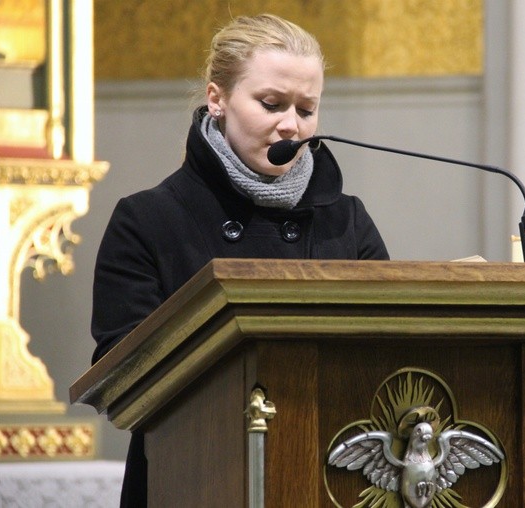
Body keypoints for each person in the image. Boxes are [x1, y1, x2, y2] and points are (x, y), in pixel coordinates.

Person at [90, 14, 389, 506]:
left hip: (328, 478)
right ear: (218, 99)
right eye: (271, 104)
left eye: (306, 109)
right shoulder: (147, 220)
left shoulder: (346, 220)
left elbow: (387, 350)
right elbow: (122, 383)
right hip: (194, 476)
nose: (291, 124)